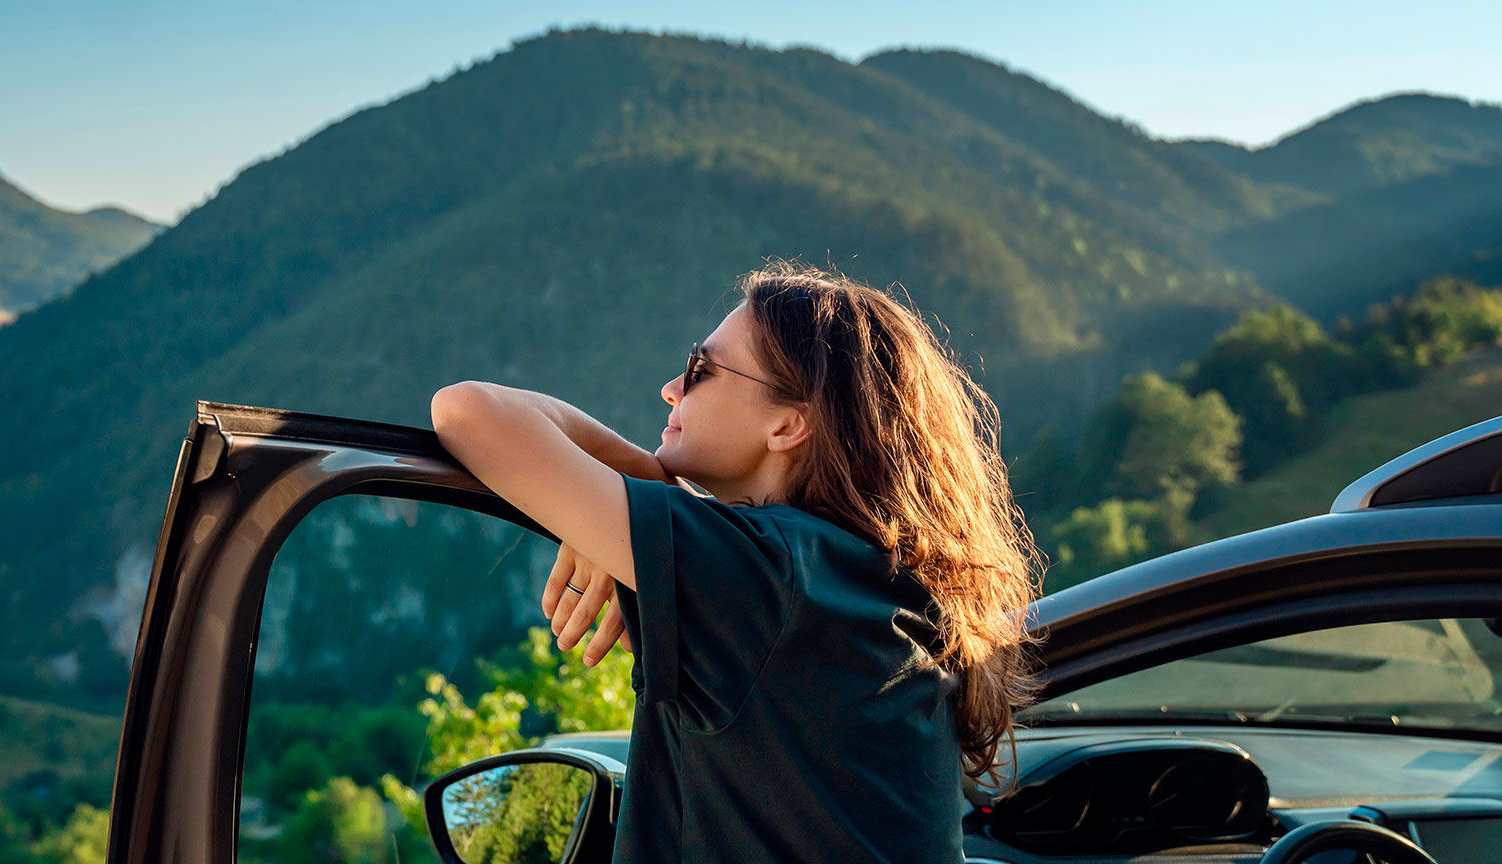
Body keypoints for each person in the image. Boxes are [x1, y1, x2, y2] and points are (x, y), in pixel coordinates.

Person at [430, 261, 1045, 862]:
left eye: (702, 369)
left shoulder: (769, 573)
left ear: (787, 425)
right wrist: (640, 503)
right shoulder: (870, 581)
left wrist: (640, 483)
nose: (672, 388)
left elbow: (467, 413)